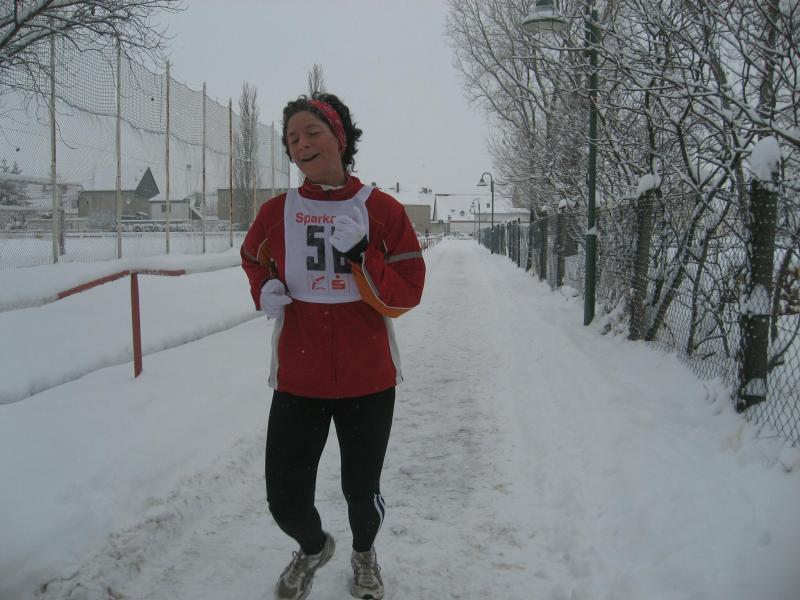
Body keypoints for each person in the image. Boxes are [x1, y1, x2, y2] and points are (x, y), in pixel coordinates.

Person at [241, 92, 425, 600]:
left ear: (339, 138)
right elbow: (252, 258)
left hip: (368, 380)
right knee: (284, 499)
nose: (300, 144)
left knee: (360, 494)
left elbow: (409, 289)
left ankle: (364, 553)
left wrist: (363, 255)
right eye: (291, 139)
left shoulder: (382, 210)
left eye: (311, 132)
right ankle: (313, 547)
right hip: (299, 379)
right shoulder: (276, 212)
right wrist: (264, 288)